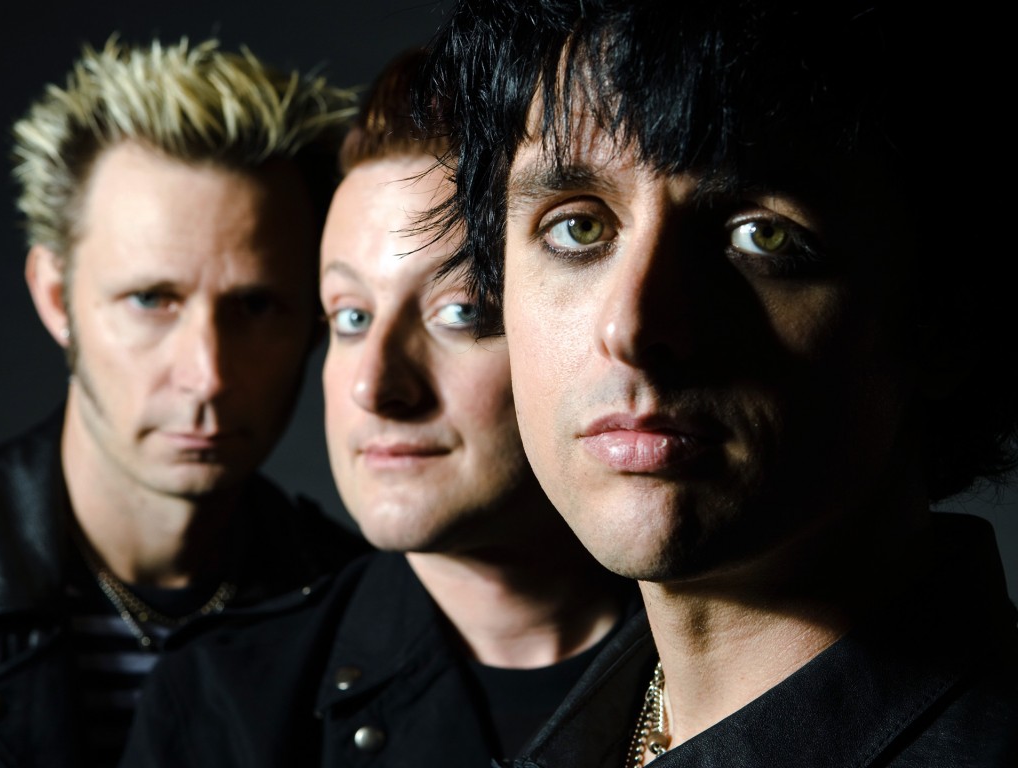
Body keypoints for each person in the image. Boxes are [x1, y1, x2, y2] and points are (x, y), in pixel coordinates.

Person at [411, 0, 1018, 765]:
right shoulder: (611, 723)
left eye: (764, 234)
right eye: (578, 227)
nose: (631, 326)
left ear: (948, 317)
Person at [0, 36, 366, 768]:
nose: (207, 375)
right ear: (57, 298)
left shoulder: (370, 615)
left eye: (256, 306)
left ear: (316, 317)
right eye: (152, 300)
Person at [119, 49, 637, 768]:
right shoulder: (219, 701)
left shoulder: (745, 672)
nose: (375, 385)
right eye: (352, 316)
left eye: (461, 312)